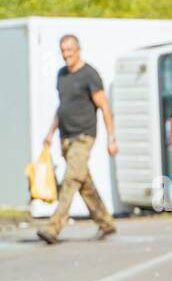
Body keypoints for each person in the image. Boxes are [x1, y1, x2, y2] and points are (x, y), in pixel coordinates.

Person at [35, 35, 118, 245]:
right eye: (63, 50)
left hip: (84, 136)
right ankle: (106, 222)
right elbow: (62, 107)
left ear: (78, 49)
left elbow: (104, 107)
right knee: (84, 183)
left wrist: (111, 138)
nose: (66, 54)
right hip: (65, 137)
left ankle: (53, 227)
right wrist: (50, 133)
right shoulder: (61, 75)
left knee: (71, 180)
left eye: (70, 50)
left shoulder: (89, 75)